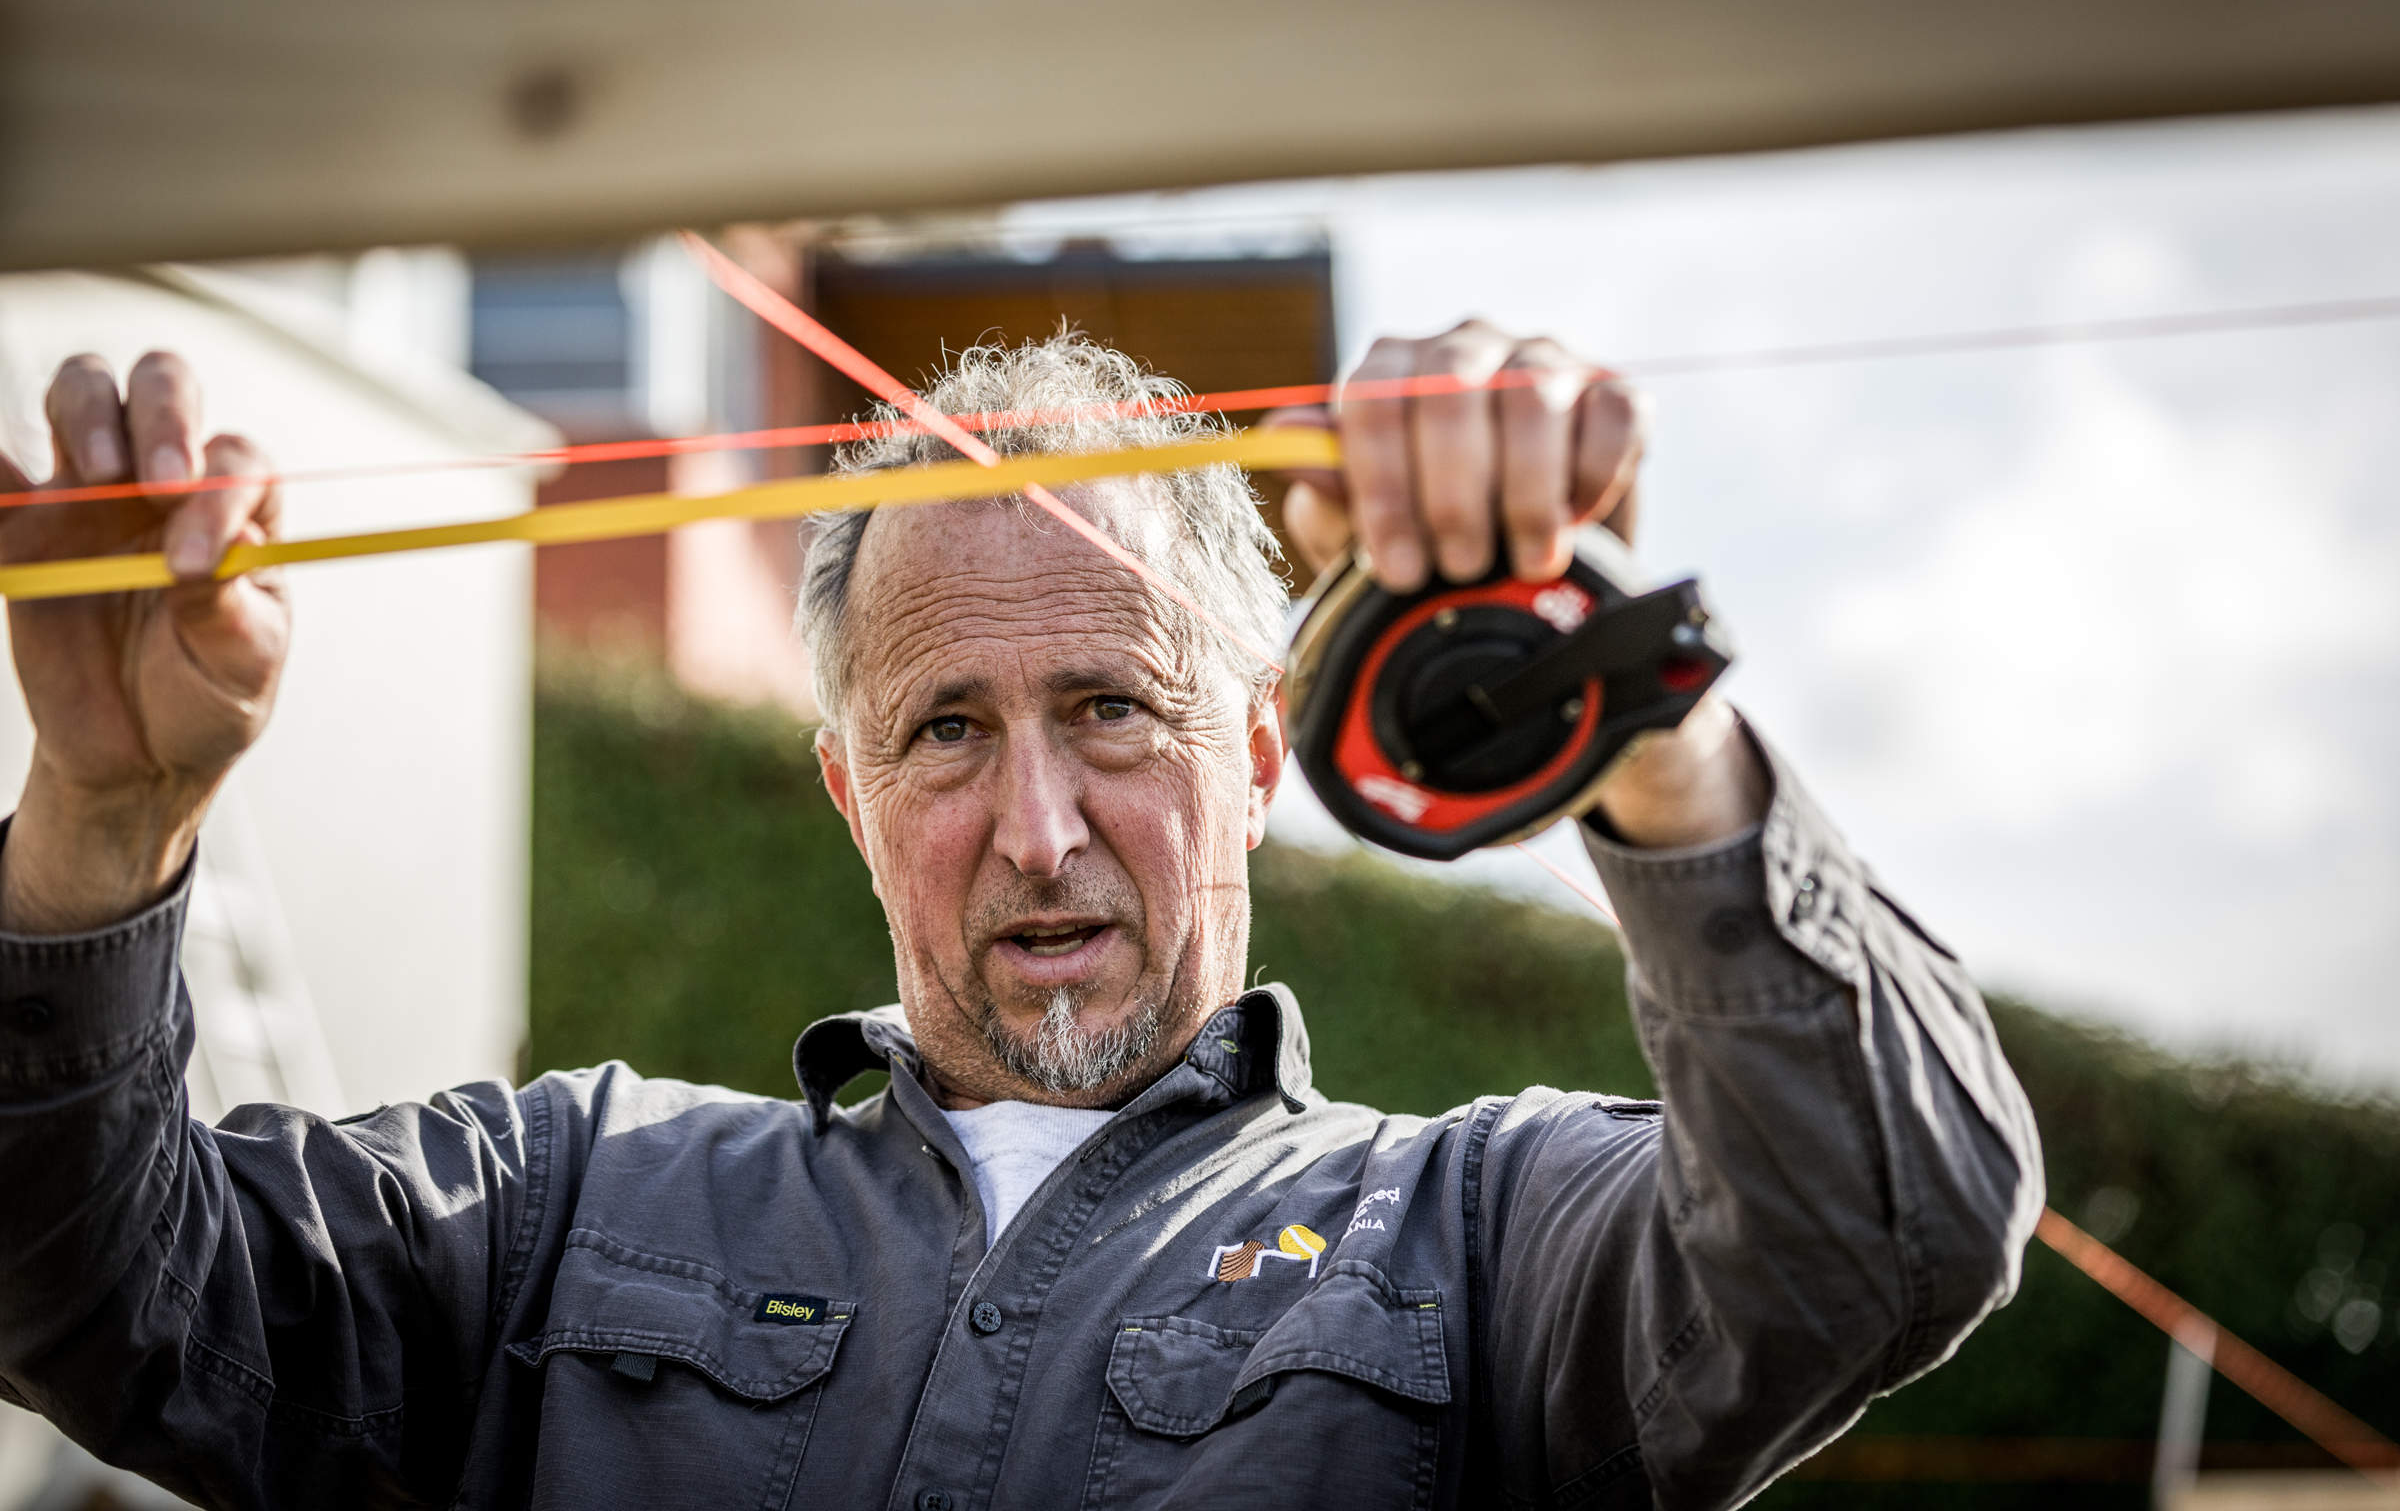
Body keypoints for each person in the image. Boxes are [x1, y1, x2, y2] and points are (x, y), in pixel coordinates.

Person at [0, 327, 2041, 1511]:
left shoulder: (1486, 1240)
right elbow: (79, 1289)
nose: (1039, 823)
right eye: (948, 729)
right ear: (850, 793)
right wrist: (100, 816)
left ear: (1254, 754)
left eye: (1113, 710)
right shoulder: (555, 1202)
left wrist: (1640, 720)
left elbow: (1891, 1228)